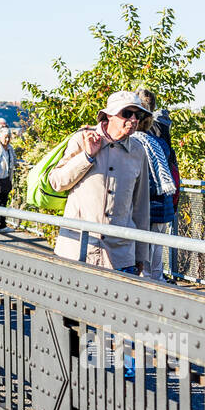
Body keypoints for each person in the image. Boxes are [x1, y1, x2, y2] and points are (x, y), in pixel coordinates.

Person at [49, 90, 151, 273]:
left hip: (120, 256)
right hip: (77, 249)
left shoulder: (138, 151)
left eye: (139, 115)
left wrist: (141, 255)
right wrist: (87, 156)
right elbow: (57, 182)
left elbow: (141, 207)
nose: (134, 119)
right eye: (127, 113)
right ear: (110, 115)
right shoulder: (82, 139)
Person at [133, 101, 181, 280]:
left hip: (149, 206)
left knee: (144, 251)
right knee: (157, 250)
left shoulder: (137, 144)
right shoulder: (161, 144)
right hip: (165, 203)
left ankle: (149, 283)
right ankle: (158, 280)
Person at [0, 123, 16, 231]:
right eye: (5, 137)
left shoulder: (10, 149)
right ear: (0, 136)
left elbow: (13, 160)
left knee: (4, 201)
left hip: (6, 178)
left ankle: (2, 225)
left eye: (9, 137)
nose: (7, 139)